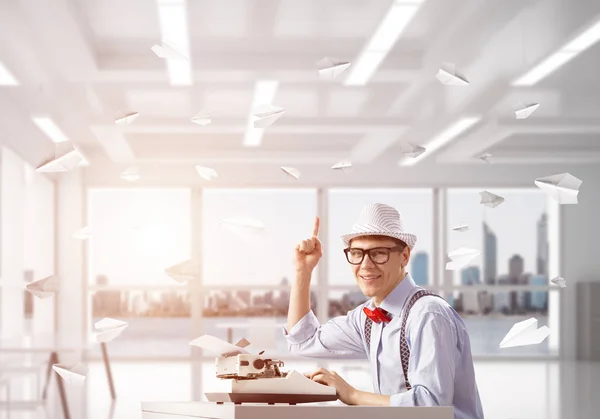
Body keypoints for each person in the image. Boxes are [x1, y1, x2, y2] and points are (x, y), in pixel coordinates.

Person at [283, 203, 484, 418]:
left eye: (379, 254)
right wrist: (302, 271)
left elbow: (431, 407)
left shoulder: (428, 315)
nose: (365, 265)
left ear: (405, 256)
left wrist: (352, 395)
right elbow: (302, 341)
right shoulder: (366, 317)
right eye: (357, 253)